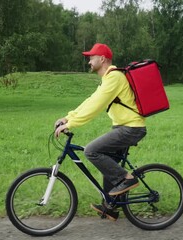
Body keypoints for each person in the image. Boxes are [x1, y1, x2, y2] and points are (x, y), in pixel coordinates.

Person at [54, 43, 146, 221]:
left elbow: (96, 106)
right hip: (123, 127)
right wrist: (68, 117)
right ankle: (111, 207)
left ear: (102, 59)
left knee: (91, 150)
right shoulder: (108, 78)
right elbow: (91, 100)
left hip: (131, 128)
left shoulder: (115, 77)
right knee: (108, 161)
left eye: (91, 57)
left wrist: (72, 123)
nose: (89, 61)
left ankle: (128, 179)